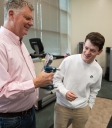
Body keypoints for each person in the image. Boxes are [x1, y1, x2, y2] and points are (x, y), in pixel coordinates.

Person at [0, 0, 54, 128]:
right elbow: (1, 92)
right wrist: (35, 83)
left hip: (29, 113)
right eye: (27, 18)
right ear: (11, 14)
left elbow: (21, 76)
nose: (32, 23)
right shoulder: (1, 44)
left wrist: (39, 82)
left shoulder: (20, 42)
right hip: (11, 120)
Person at [53, 32, 105, 128]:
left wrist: (90, 106)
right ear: (84, 44)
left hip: (82, 109)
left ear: (99, 52)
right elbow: (56, 80)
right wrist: (65, 92)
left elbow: (95, 90)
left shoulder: (98, 70)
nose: (87, 52)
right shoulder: (68, 60)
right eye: (86, 48)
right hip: (62, 106)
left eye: (93, 50)